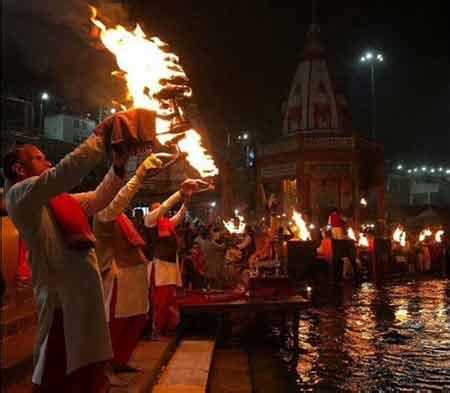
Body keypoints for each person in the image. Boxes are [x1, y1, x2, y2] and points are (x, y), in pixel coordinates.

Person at [2, 115, 135, 392]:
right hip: (61, 305)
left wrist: (120, 166)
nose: (47, 162)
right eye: (39, 158)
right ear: (19, 168)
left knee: (85, 376)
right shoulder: (19, 196)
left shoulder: (59, 202)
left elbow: (99, 198)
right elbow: (63, 173)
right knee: (57, 379)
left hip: (85, 302)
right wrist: (100, 136)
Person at [93, 153, 169, 372]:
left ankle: (121, 361)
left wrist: (181, 195)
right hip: (120, 275)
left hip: (135, 275)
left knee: (136, 320)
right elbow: (120, 199)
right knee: (117, 324)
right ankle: (108, 365)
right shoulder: (104, 213)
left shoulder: (121, 216)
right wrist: (139, 175)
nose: (119, 195)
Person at [144, 179, 206, 336]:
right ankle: (155, 331)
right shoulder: (149, 221)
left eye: (159, 208)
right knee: (159, 303)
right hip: (159, 269)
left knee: (170, 302)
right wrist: (180, 192)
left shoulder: (167, 223)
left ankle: (166, 330)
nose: (160, 210)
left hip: (170, 268)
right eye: (156, 209)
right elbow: (165, 206)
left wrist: (187, 200)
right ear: (152, 211)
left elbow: (180, 215)